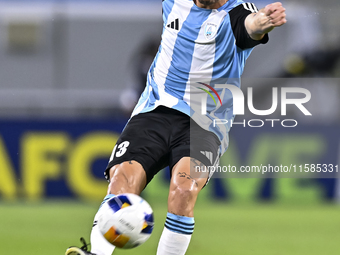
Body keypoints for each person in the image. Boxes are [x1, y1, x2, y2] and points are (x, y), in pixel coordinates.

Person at [66, 0, 286, 254]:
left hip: (205, 123)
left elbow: (250, 25)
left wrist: (263, 21)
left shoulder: (237, 12)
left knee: (183, 190)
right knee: (121, 180)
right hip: (155, 110)